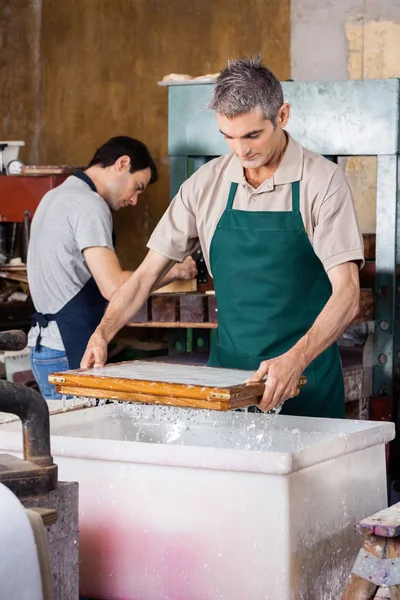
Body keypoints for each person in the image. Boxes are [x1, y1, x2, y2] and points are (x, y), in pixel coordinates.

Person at [81, 58, 364, 418]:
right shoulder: (205, 184)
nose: (241, 151)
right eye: (228, 137)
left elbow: (348, 294)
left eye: (252, 135)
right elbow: (145, 277)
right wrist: (103, 333)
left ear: (283, 116)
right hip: (227, 384)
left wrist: (296, 360)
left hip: (303, 380)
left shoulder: (322, 182)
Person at [27, 136, 197, 399]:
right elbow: (114, 287)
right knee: (82, 437)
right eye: (137, 187)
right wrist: (175, 270)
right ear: (122, 163)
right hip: (67, 348)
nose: (134, 200)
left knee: (62, 437)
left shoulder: (57, 195)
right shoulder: (88, 204)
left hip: (43, 345)